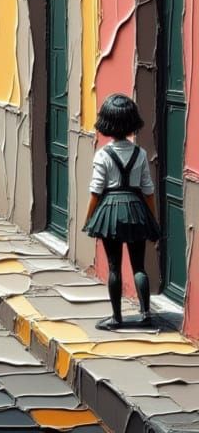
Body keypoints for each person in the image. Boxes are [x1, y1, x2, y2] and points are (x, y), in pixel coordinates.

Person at [82, 94, 161, 330]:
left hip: (110, 212)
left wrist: (88, 219)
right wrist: (152, 218)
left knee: (114, 266)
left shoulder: (102, 155)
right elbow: (148, 190)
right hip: (136, 209)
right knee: (139, 266)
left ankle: (117, 318)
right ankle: (146, 314)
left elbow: (96, 191)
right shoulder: (141, 154)